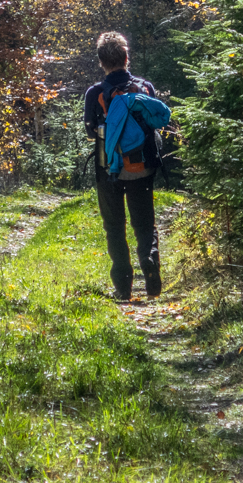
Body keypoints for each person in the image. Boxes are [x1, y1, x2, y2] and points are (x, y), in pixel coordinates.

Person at [83, 32, 163, 300]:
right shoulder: (145, 87)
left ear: (101, 61)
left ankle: (123, 287)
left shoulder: (95, 93)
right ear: (127, 57)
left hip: (109, 170)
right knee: (144, 224)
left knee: (114, 226)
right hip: (142, 167)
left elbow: (91, 134)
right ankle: (150, 267)